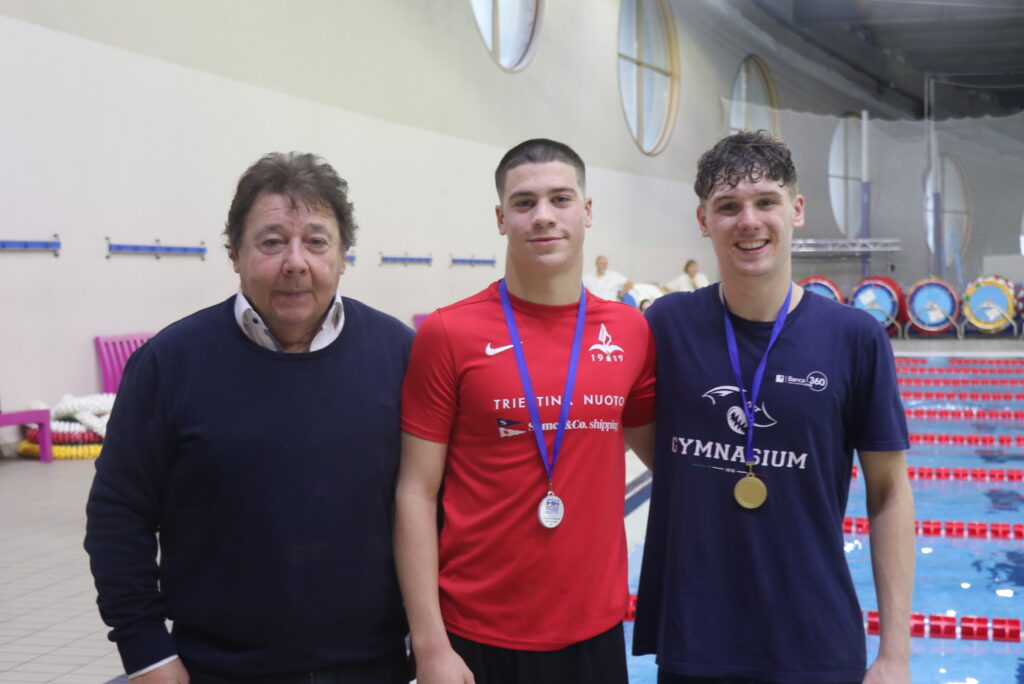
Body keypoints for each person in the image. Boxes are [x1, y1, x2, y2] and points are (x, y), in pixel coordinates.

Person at [84, 152, 413, 683]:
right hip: (216, 669)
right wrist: (146, 652)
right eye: (272, 242)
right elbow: (120, 513)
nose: (295, 262)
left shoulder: (400, 356)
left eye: (316, 241)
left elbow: (437, 506)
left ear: (343, 256)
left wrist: (430, 640)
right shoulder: (171, 363)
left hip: (374, 667)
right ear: (235, 254)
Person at [632, 131, 914, 684]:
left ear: (796, 210)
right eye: (728, 206)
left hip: (815, 640)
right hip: (695, 639)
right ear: (703, 219)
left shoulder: (855, 338)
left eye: (766, 201)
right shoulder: (666, 325)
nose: (749, 221)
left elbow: (889, 492)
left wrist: (895, 654)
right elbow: (648, 442)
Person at [395, 138, 656, 684]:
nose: (543, 216)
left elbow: (670, 461)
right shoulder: (449, 333)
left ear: (587, 210)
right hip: (475, 633)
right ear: (500, 218)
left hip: (596, 631)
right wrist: (430, 646)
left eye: (560, 198)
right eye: (524, 202)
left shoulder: (630, 331)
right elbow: (416, 491)